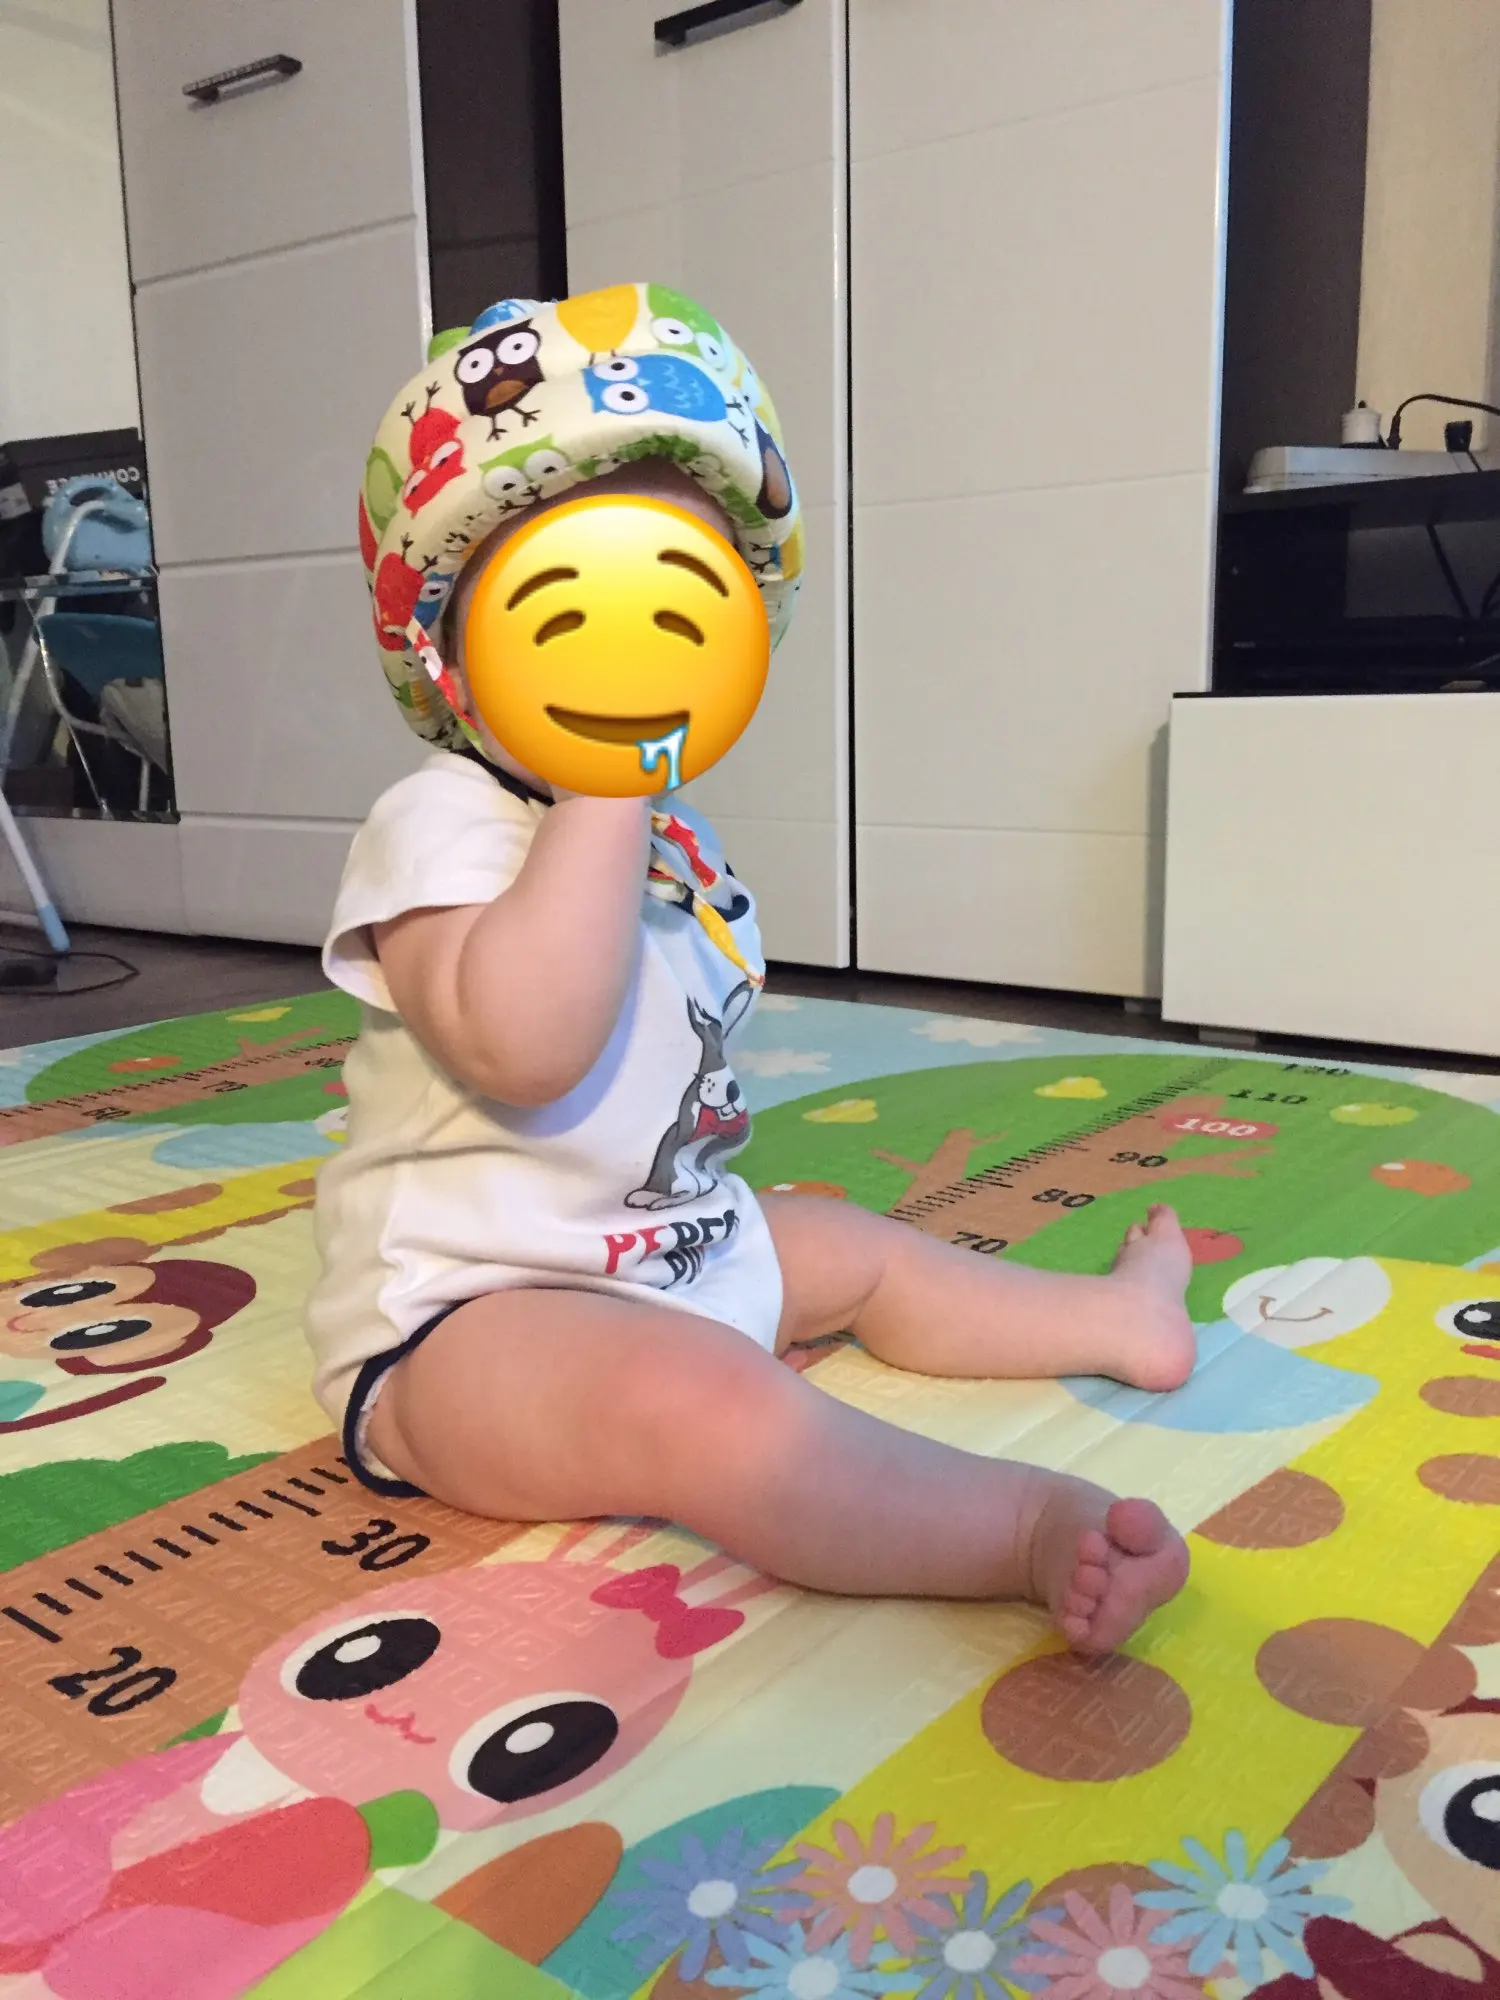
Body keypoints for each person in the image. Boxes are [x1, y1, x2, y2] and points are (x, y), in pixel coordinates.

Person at [308, 285, 1195, 1653]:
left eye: (677, 602)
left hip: (675, 1249)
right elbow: (524, 1050)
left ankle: (1113, 1316)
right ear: (457, 667)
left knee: (856, 1244)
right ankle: (1018, 1530)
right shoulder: (440, 825)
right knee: (704, 1409)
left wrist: (622, 804)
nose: (628, 642)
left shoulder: (671, 840)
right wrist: (606, 782)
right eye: (566, 601)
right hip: (470, 1328)